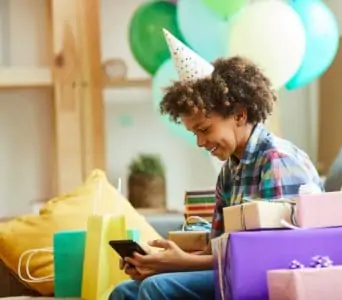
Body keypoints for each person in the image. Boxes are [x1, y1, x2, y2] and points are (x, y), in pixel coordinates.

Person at [109, 30, 323, 300]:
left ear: (239, 114)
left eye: (204, 129)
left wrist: (180, 264)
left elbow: (274, 257)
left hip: (273, 276)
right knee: (125, 292)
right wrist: (159, 262)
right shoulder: (229, 172)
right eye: (194, 133)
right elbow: (219, 249)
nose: (200, 142)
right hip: (238, 272)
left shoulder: (277, 161)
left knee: (156, 288)